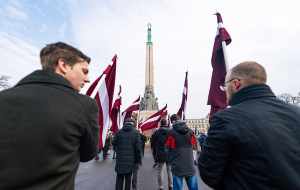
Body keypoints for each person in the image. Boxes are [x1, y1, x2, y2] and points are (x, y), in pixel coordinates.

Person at [0, 42, 100, 190]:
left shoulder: (4, 97)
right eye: (84, 71)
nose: (87, 79)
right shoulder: (84, 105)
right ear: (64, 65)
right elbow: (88, 154)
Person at [198, 61, 300, 189]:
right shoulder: (296, 113)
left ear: (235, 84)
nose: (225, 90)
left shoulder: (225, 119)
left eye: (225, 86)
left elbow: (209, 172)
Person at [165, 114, 199, 190]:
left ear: (173, 121)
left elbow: (167, 150)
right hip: (190, 164)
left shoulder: (170, 133)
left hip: (177, 165)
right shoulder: (191, 132)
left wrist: (171, 160)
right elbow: (193, 146)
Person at [112, 118, 141, 190]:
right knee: (128, 180)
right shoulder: (136, 133)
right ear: (132, 124)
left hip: (120, 160)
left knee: (119, 179)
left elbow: (113, 142)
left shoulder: (119, 132)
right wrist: (138, 160)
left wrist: (118, 147)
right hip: (130, 160)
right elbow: (138, 149)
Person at [152, 119, 173, 190]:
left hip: (160, 153)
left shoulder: (157, 132)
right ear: (166, 123)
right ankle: (170, 185)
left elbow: (153, 143)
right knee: (169, 170)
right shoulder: (170, 132)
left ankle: (160, 186)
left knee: (160, 170)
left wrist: (155, 152)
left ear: (160, 124)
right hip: (169, 153)